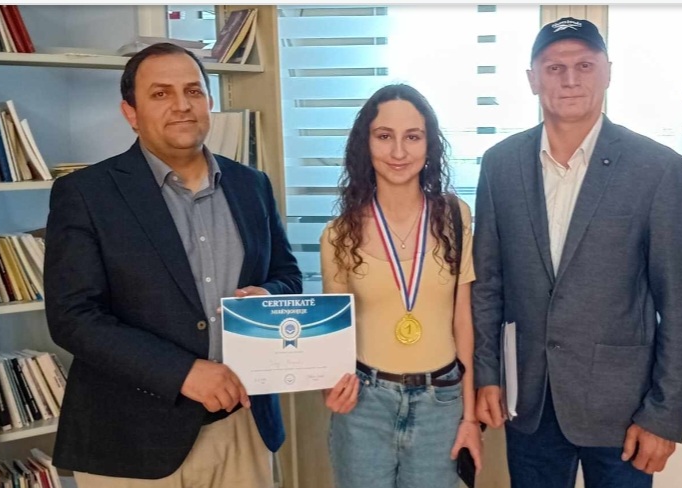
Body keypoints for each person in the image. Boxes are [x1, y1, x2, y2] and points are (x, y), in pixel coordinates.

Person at [43, 42, 302, 487]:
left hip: (243, 423)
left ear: (209, 101)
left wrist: (267, 295)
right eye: (161, 93)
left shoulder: (252, 185)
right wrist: (182, 372)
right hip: (132, 439)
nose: (182, 105)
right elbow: (73, 318)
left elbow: (288, 276)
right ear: (130, 112)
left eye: (193, 91)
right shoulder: (86, 194)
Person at [471, 17, 682, 488]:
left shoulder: (656, 169)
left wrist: (664, 414)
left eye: (584, 65)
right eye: (554, 68)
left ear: (608, 72)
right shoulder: (500, 165)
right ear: (532, 79)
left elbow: (680, 302)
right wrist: (487, 374)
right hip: (530, 402)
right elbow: (488, 285)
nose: (570, 80)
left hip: (624, 410)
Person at [319, 83, 483, 488]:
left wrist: (470, 417)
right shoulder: (338, 234)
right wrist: (328, 387)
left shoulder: (455, 217)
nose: (398, 152)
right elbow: (333, 336)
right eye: (384, 136)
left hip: (441, 402)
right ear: (365, 144)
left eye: (412, 137)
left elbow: (464, 322)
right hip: (365, 404)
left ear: (429, 146)